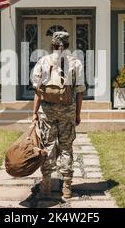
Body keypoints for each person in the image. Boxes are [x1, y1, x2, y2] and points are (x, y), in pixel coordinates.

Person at [30, 31, 86, 199]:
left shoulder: (43, 61)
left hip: (47, 111)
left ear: (52, 45)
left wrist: (34, 113)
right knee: (66, 147)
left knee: (47, 146)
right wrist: (77, 114)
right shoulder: (75, 63)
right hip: (67, 110)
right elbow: (80, 92)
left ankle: (46, 186)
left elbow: (37, 91)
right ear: (68, 45)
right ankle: (67, 187)